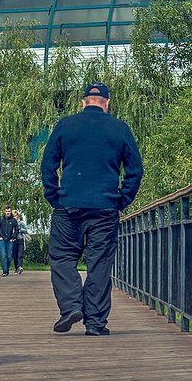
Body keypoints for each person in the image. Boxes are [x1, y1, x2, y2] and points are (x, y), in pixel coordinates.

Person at [41, 82, 142, 336]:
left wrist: (55, 196)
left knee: (62, 258)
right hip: (105, 208)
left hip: (68, 206)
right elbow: (135, 170)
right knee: (99, 264)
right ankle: (96, 324)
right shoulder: (119, 128)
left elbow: (48, 165)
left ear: (83, 102)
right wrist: (122, 199)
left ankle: (71, 306)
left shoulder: (65, 125)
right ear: (107, 103)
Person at [0, 206, 21, 276]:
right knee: (3, 256)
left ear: (10, 211)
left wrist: (13, 237)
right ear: (4, 211)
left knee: (9, 257)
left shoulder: (13, 220)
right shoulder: (0, 219)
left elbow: (17, 229)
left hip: (10, 240)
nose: (7, 212)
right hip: (1, 240)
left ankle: (7, 268)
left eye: (9, 211)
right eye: (6, 211)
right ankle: (4, 271)